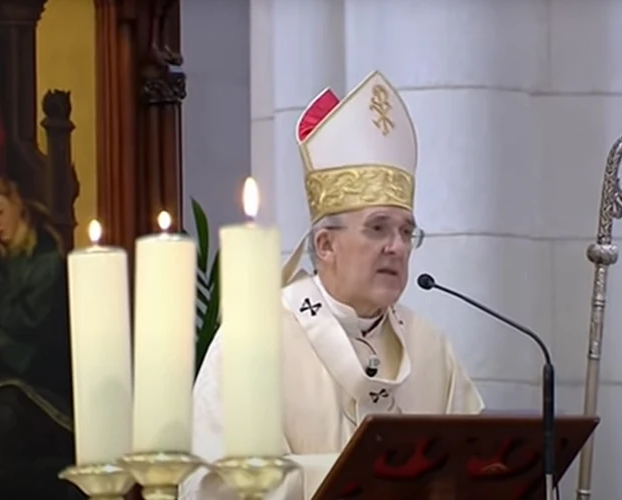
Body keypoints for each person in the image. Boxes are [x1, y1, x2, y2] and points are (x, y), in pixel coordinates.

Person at [182, 71, 484, 500]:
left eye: (406, 232)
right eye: (378, 228)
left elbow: (477, 469)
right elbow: (210, 484)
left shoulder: (431, 348)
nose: (397, 247)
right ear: (325, 245)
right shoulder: (254, 341)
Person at [0, 176, 78, 499]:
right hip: (9, 382)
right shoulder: (2, 267)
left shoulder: (48, 262)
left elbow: (27, 320)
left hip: (44, 391)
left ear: (19, 208)